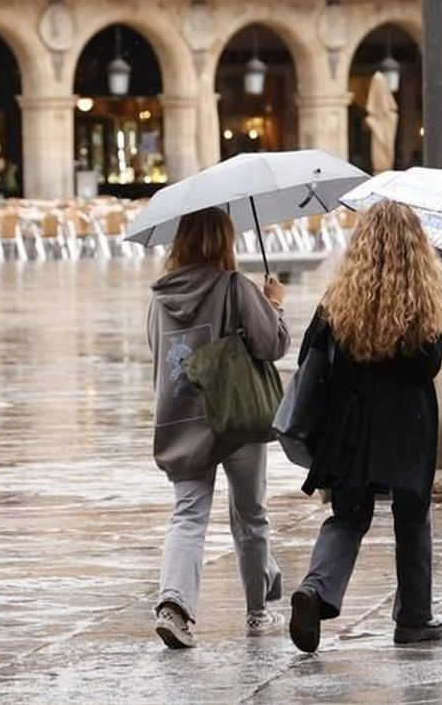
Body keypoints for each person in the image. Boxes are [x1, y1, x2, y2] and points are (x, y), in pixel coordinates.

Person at [288, 201, 442, 654]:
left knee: (348, 514)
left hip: (350, 422)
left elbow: (308, 357)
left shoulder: (339, 297)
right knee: (412, 515)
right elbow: (428, 366)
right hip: (407, 425)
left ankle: (316, 589)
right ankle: (414, 618)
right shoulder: (424, 300)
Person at [146, 208, 290, 649]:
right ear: (224, 241)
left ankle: (174, 606)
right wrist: (273, 304)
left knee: (188, 513)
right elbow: (272, 344)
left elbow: (158, 354)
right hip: (236, 413)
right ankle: (257, 613)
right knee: (250, 514)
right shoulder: (234, 286)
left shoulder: (159, 297)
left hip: (182, 419)